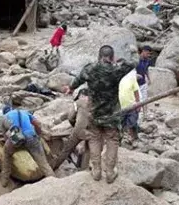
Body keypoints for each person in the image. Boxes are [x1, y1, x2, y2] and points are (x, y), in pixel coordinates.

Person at [64, 45, 135, 183]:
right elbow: (133, 63)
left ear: (99, 55)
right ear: (112, 56)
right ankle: (109, 172)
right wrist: (132, 51)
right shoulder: (117, 69)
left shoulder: (90, 68)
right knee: (112, 141)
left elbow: (78, 80)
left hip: (94, 113)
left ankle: (96, 170)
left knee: (94, 139)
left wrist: (70, 88)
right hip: (112, 114)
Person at [0, 104, 55, 187]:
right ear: (12, 109)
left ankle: (4, 180)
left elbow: (6, 136)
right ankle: (53, 180)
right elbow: (37, 124)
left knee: (7, 153)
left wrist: (11, 145)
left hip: (17, 138)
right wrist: (38, 135)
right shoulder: (25, 112)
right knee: (43, 163)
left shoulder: (4, 118)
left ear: (4, 113)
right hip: (31, 137)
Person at [51, 86, 91, 170]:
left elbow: (70, 116)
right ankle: (83, 170)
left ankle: (55, 167)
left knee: (67, 149)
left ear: (81, 95)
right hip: (91, 130)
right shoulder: (95, 103)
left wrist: (74, 124)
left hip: (79, 130)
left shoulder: (78, 102)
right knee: (87, 150)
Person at [119, 70, 141, 143]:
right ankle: (120, 138)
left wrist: (138, 104)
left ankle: (133, 138)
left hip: (132, 106)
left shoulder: (132, 79)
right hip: (121, 107)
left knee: (132, 123)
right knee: (121, 123)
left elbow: (136, 92)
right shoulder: (118, 79)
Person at [136, 46, 152, 118]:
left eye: (149, 54)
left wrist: (149, 78)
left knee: (145, 99)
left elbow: (146, 70)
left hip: (143, 83)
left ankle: (145, 114)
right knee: (136, 99)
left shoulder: (147, 60)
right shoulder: (136, 60)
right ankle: (136, 115)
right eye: (148, 53)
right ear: (143, 51)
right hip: (135, 83)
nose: (148, 55)